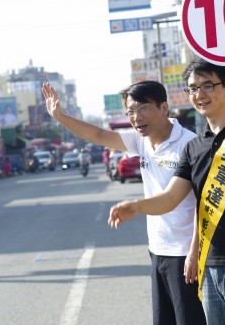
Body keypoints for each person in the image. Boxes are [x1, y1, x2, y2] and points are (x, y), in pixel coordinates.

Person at [108, 58, 225, 324]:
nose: (199, 94)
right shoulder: (194, 147)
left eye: (207, 85)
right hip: (210, 267)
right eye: (192, 88)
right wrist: (135, 206)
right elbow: (170, 198)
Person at [42, 80, 205, 325]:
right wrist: (61, 117)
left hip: (185, 254)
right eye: (130, 111)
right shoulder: (141, 141)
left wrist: (194, 251)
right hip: (158, 250)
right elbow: (97, 135)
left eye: (142, 108)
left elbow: (202, 204)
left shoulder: (189, 144)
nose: (136, 117)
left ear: (164, 108)